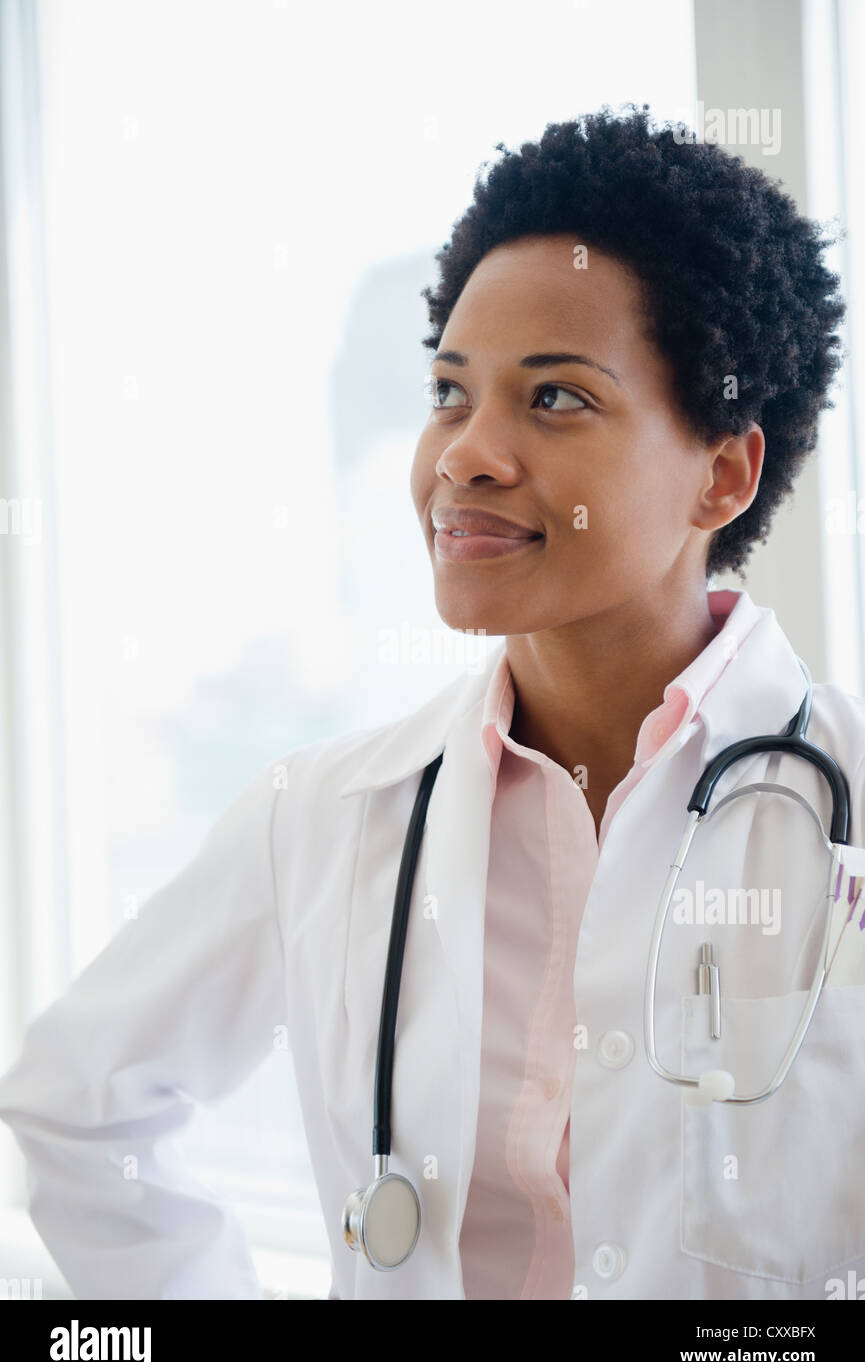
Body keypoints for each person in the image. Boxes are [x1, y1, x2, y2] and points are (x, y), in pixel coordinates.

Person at [2, 104, 864, 1301]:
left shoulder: (845, 807)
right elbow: (76, 1105)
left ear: (720, 472)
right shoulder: (318, 816)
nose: (465, 453)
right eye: (451, 394)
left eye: (554, 398)